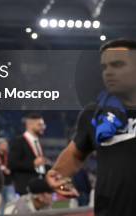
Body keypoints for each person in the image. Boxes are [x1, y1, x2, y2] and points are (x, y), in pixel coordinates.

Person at [46, 38, 136, 215]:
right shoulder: (94, 114)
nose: (108, 72)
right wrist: (57, 173)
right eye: (105, 67)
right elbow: (75, 153)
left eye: (117, 65)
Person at [8, 112, 48, 194]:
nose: (43, 127)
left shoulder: (39, 142)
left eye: (43, 125)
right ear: (30, 125)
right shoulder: (18, 141)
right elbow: (12, 164)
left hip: (40, 187)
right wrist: (33, 164)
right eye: (40, 125)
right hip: (25, 188)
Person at [0, 138, 15, 213]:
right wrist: (1, 169)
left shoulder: (10, 155)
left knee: (11, 203)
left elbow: (14, 166)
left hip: (9, 183)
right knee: (0, 204)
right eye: (3, 144)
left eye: (6, 145)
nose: (5, 146)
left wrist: (9, 170)